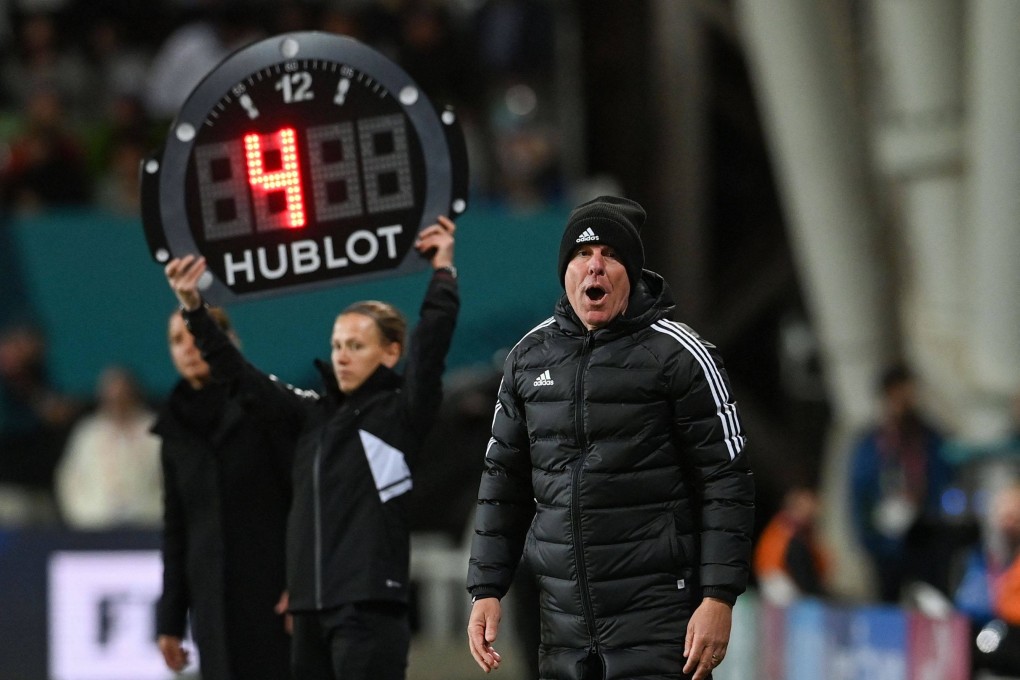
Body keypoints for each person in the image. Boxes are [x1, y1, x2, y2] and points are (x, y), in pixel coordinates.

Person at [465, 196, 755, 680]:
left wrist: (718, 597)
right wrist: (486, 588)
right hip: (562, 627)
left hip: (660, 620)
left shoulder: (680, 354)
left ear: (633, 273)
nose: (594, 265)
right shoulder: (527, 358)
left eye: (611, 254)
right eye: (581, 254)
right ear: (565, 271)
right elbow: (503, 482)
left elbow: (727, 479)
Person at [164, 215, 459, 680]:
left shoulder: (401, 414)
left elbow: (431, 345)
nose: (340, 355)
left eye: (356, 346)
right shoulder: (311, 415)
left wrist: (442, 270)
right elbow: (241, 377)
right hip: (309, 613)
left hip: (368, 610)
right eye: (337, 344)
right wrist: (193, 308)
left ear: (390, 353)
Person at [153, 304, 292, 680]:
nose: (187, 347)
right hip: (211, 603)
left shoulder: (265, 407)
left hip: (275, 597)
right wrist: (169, 620)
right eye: (176, 340)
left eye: (196, 336)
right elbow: (177, 529)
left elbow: (302, 501)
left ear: (228, 342)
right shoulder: (173, 430)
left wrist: (301, 584)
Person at [849, 363, 955, 603]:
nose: (906, 400)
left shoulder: (931, 439)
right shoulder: (870, 444)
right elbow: (859, 494)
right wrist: (868, 539)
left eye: (910, 392)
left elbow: (946, 480)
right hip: (885, 543)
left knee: (933, 602)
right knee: (888, 607)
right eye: (900, 393)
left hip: (926, 538)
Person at [55, 365, 162, 529]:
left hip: (147, 523)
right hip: (95, 523)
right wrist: (81, 515)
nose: (117, 402)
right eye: (111, 397)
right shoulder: (88, 432)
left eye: (123, 396)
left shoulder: (155, 429)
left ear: (134, 394)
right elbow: (69, 479)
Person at [954, 484, 1020, 674]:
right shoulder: (980, 558)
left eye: (1015, 518)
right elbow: (965, 603)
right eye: (1004, 517)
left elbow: (1009, 607)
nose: (1009, 524)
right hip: (986, 632)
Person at [753, 486, 831, 605]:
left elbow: (820, 561)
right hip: (777, 578)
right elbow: (788, 561)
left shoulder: (805, 530)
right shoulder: (786, 527)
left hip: (789, 581)